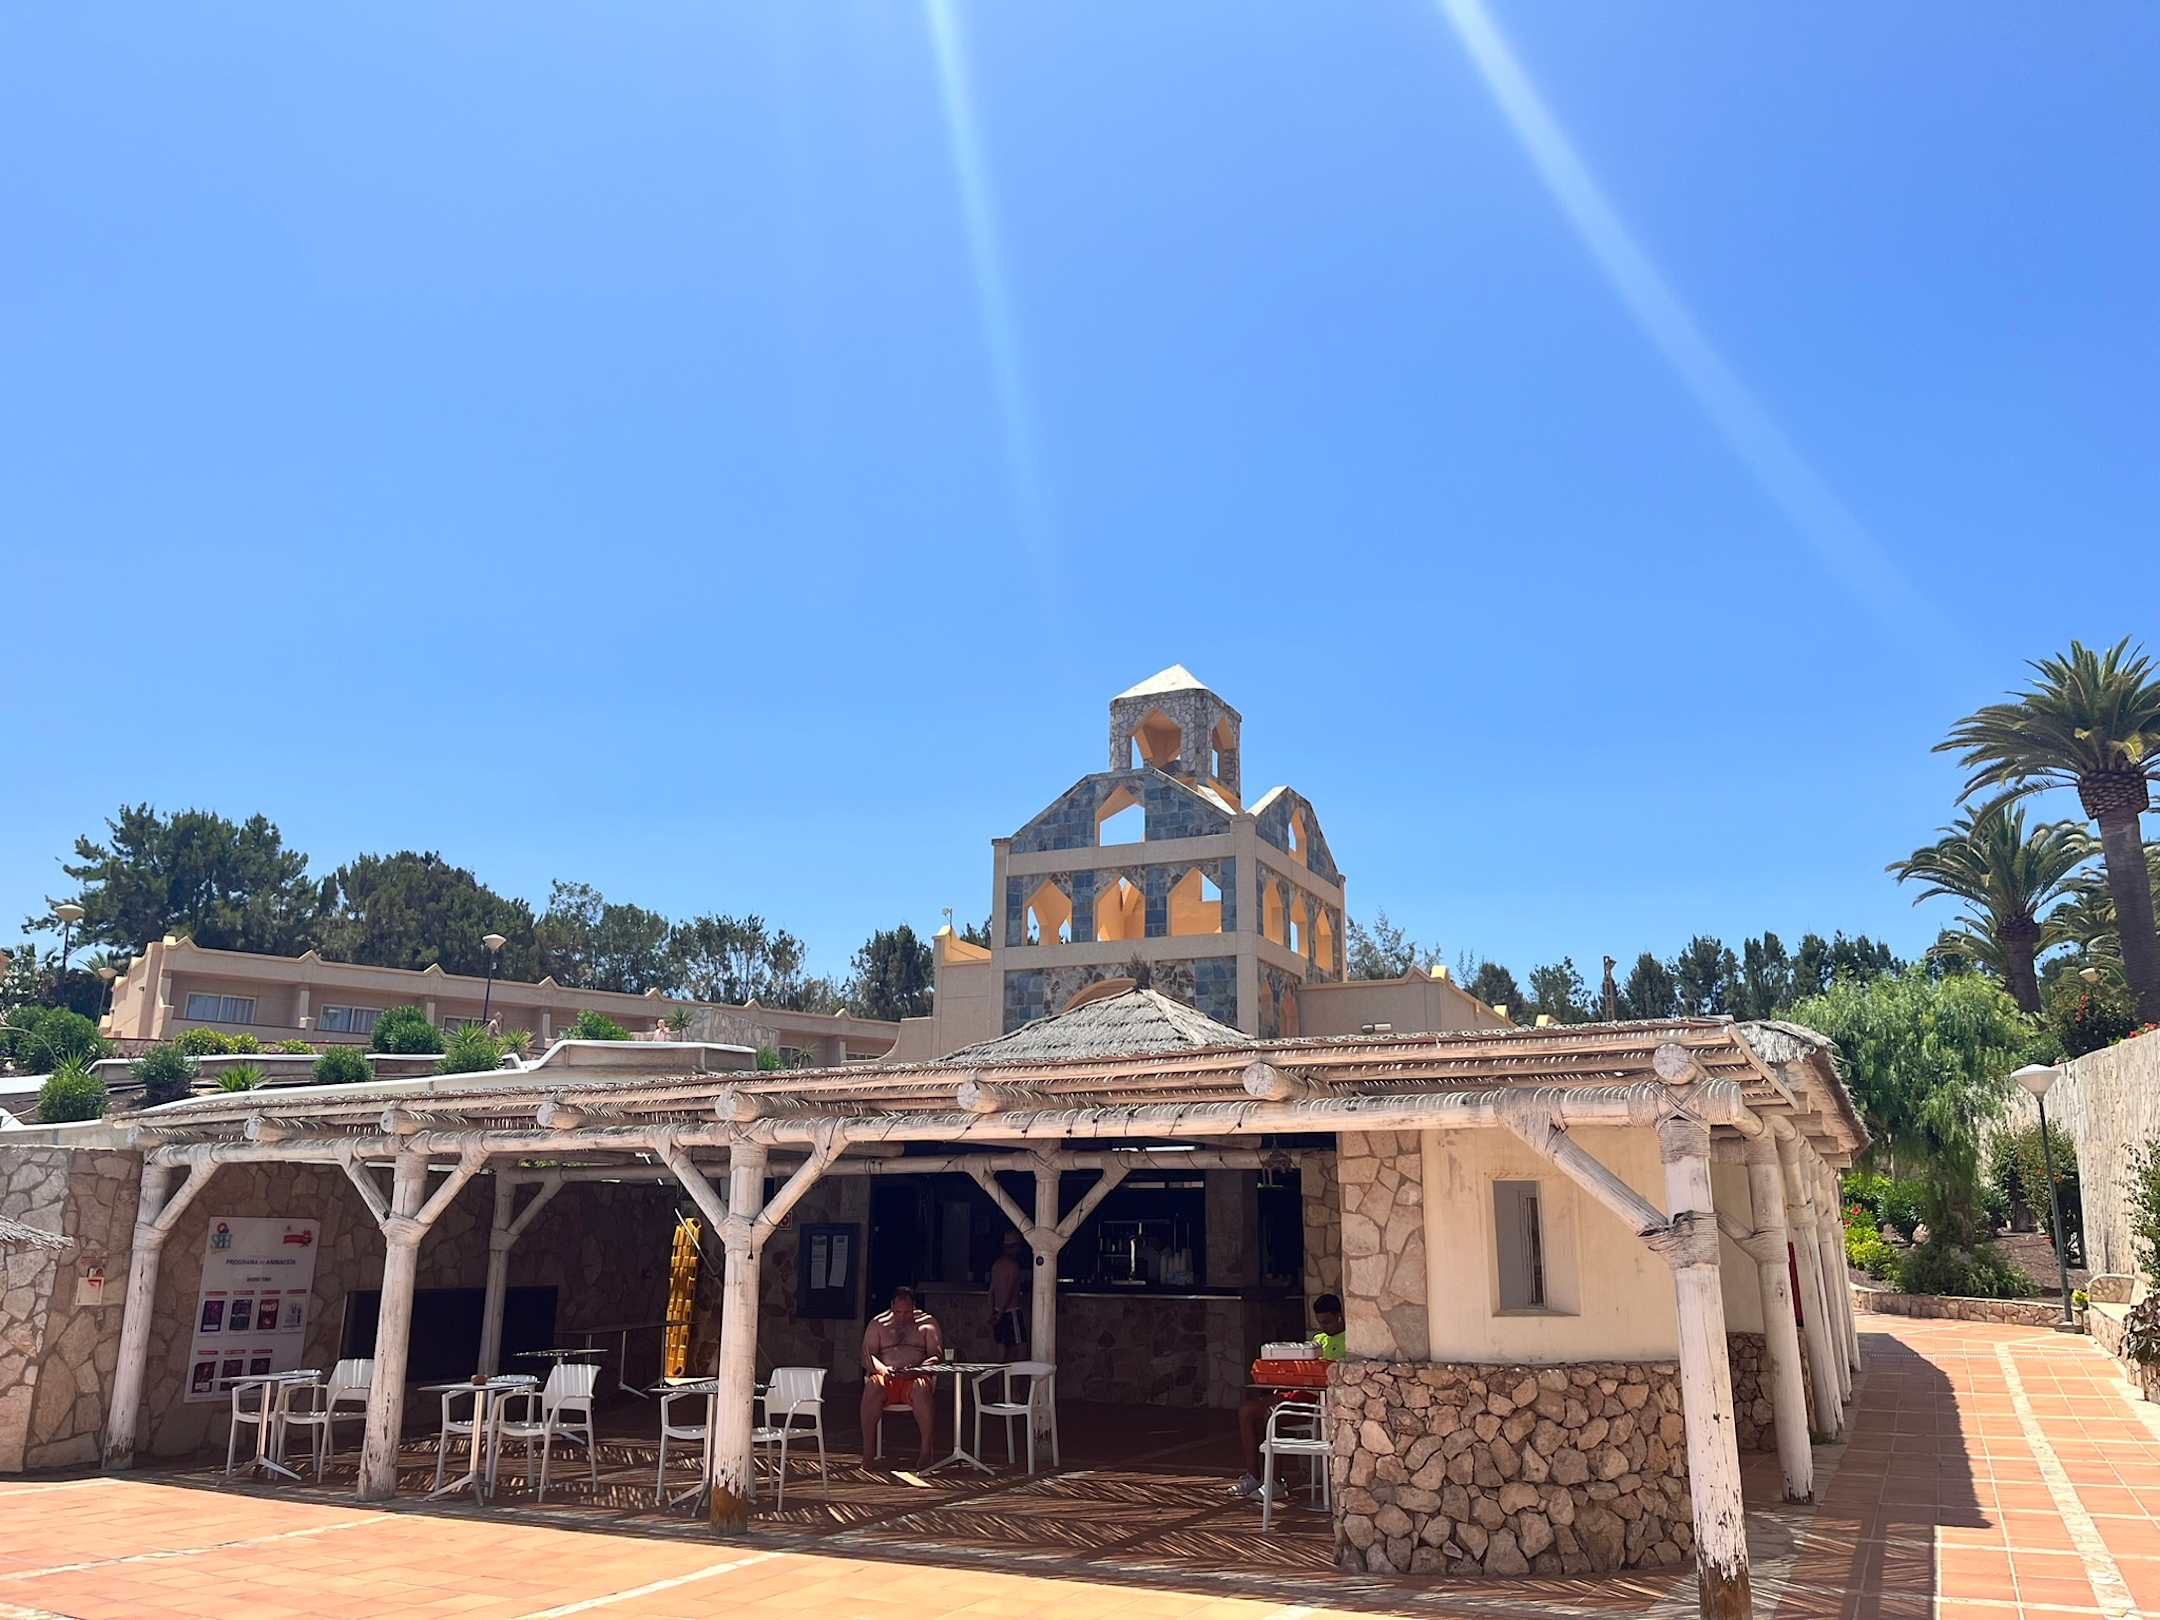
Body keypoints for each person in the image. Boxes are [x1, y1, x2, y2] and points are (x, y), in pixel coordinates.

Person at [1231, 1293, 1345, 1501]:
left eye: (1327, 1322)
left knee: (1272, 1415)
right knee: (1246, 1411)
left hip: (1318, 1400)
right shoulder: (1318, 1340)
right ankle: (1254, 1476)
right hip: (1297, 1391)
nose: (1324, 1327)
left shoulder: (1350, 1341)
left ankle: (1274, 1482)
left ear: (1339, 1316)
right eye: (1320, 1322)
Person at [860, 1284, 944, 1469]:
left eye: (907, 1312)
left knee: (921, 1388)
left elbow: (936, 1356)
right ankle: (868, 1451)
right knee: (872, 1386)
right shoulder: (878, 1323)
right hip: (887, 1377)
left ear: (914, 1307)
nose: (902, 1317)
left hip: (914, 1377)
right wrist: (883, 1369)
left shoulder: (927, 1324)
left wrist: (918, 1369)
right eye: (898, 1312)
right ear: (892, 1306)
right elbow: (867, 1357)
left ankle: (925, 1450)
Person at [987, 1231, 1028, 1361]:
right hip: (1011, 1312)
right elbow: (1008, 1292)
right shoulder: (1013, 1266)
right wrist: (1000, 1314)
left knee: (1002, 1349)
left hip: (998, 1311)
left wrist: (993, 1312)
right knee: (1020, 1349)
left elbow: (991, 1291)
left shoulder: (996, 1265)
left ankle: (1001, 1375)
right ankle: (1018, 1375)